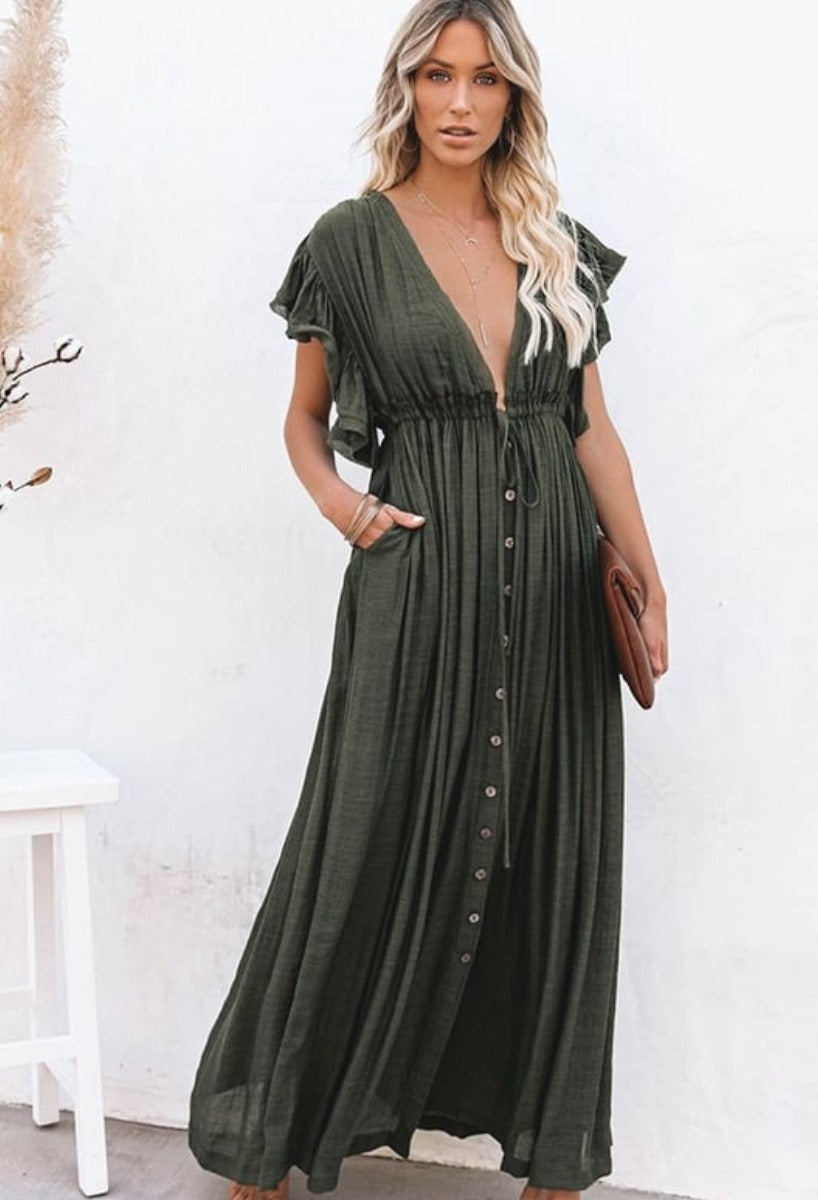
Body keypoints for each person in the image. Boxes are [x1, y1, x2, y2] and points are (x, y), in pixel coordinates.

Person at [187, 2, 668, 1198]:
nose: (460, 102)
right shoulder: (348, 243)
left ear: (516, 98)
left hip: (556, 589)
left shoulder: (555, 242)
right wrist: (346, 512)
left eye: (487, 79)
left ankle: (555, 1159)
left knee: (552, 847)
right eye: (438, 76)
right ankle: (272, 1135)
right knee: (362, 838)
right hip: (418, 579)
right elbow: (303, 421)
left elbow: (590, 430)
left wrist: (646, 574)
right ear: (405, 87)